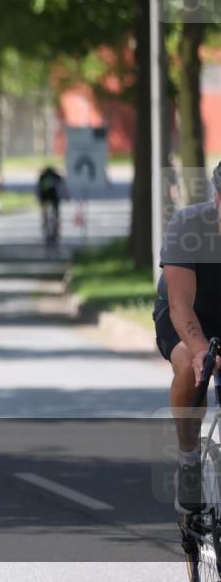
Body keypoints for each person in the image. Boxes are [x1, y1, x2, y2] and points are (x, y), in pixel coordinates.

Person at [155, 161, 221, 514]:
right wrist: (200, 352)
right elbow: (181, 306)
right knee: (187, 363)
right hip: (186, 312)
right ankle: (189, 458)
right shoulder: (189, 225)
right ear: (217, 198)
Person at [36, 165, 67, 246]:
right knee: (56, 212)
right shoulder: (56, 176)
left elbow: (39, 189)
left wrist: (39, 199)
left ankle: (45, 223)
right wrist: (67, 196)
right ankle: (57, 227)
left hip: (45, 196)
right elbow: (63, 187)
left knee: (45, 211)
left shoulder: (43, 177)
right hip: (54, 196)